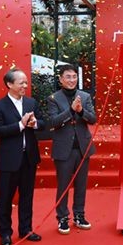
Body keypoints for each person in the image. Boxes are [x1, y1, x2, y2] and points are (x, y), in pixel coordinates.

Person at [0, 69, 46, 245]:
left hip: (29, 157)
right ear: (9, 84)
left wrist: (34, 124)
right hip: (9, 160)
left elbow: (43, 123)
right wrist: (20, 125)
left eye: (26, 82)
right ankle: (5, 233)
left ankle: (26, 229)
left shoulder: (31, 102)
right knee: (5, 198)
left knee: (27, 196)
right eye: (21, 82)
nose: (25, 86)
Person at [49, 64, 96, 235]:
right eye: (68, 77)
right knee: (63, 185)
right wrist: (70, 110)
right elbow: (53, 122)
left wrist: (81, 111)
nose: (72, 80)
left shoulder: (85, 96)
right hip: (63, 149)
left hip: (82, 147)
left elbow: (93, 119)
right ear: (60, 79)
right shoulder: (53, 98)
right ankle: (62, 218)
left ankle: (79, 215)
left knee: (81, 185)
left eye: (74, 76)